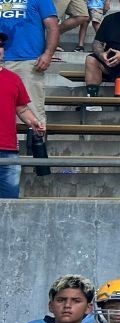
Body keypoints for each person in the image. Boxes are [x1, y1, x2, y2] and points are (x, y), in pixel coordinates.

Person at [0, 34, 45, 199]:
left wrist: (34, 121)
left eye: (0, 46)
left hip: (8, 150)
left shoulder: (13, 79)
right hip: (7, 152)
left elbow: (21, 108)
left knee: (10, 204)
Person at [0, 0, 56, 124]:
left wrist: (48, 54)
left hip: (28, 59)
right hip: (2, 57)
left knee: (33, 109)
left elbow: (52, 27)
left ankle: (37, 142)